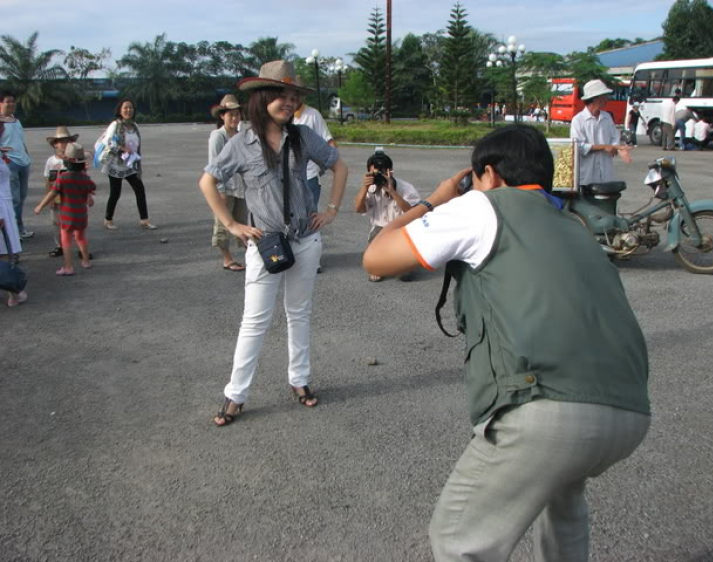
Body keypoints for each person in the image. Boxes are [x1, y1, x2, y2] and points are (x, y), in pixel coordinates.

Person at [363, 125, 651, 562]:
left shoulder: (483, 205)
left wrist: (436, 200)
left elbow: (377, 258)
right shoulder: (572, 223)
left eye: (476, 179)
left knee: (460, 540)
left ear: (491, 175)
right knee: (563, 503)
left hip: (546, 410)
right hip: (627, 412)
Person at [199, 60, 348, 426]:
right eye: (281, 94)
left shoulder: (301, 136)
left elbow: (339, 166)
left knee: (299, 314)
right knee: (255, 320)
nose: (288, 101)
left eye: (293, 96)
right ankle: (236, 394)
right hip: (266, 244)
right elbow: (208, 182)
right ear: (263, 96)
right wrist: (232, 224)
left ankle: (300, 380)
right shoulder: (241, 143)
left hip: (306, 239)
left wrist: (330, 209)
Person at [353, 149, 420, 282]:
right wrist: (364, 188)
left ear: (390, 171)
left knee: (405, 276)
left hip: (403, 230)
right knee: (376, 263)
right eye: (375, 173)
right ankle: (381, 262)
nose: (379, 176)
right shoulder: (369, 188)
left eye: (382, 173)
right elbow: (359, 209)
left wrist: (392, 191)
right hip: (380, 229)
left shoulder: (405, 188)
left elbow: (413, 213)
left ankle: (406, 260)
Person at [34, 143, 95, 276]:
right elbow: (90, 194)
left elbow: (52, 193)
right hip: (81, 215)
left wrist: (40, 206)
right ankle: (86, 261)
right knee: (81, 237)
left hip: (67, 214)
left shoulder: (63, 178)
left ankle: (68, 267)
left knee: (66, 240)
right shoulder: (85, 178)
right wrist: (89, 199)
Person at [293, 96, 336, 273]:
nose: (289, 100)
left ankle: (313, 260)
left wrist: (329, 164)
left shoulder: (312, 115)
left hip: (309, 174)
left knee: (310, 216)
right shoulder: (280, 117)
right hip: (289, 176)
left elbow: (329, 141)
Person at [99, 99, 157, 230]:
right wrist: (123, 149)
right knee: (115, 193)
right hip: (116, 165)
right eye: (125, 108)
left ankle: (144, 219)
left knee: (140, 190)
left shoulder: (135, 126)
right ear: (120, 110)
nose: (128, 110)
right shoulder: (115, 125)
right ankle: (108, 220)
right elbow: (107, 142)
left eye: (131, 108)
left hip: (130, 164)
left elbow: (137, 145)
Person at [208, 94, 247, 272]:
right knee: (224, 224)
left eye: (237, 114)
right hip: (225, 188)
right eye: (230, 114)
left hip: (241, 188)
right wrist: (220, 190)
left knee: (244, 221)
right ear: (222, 116)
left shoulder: (241, 135)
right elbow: (213, 164)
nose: (234, 118)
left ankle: (251, 255)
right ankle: (227, 258)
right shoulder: (218, 136)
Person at [570, 80, 631, 187]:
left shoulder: (607, 117)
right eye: (604, 96)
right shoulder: (578, 120)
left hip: (606, 172)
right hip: (587, 174)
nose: (606, 99)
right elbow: (578, 146)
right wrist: (603, 147)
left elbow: (614, 137)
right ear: (595, 98)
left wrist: (618, 148)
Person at [0, 91, 33, 239]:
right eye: (8, 101)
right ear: (1, 103)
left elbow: (20, 141)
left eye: (13, 101)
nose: (11, 104)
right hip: (10, 163)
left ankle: (18, 227)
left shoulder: (16, 120)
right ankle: (13, 230)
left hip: (23, 162)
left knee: (21, 196)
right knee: (13, 198)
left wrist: (26, 155)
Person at [43, 126, 79, 257]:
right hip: (57, 196)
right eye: (61, 141)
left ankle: (81, 247)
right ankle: (60, 246)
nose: (64, 144)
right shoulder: (51, 161)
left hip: (72, 197)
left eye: (67, 141)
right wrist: (49, 197)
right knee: (56, 223)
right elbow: (47, 179)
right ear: (55, 144)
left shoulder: (75, 159)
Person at [0, 152, 27, 307]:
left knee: (5, 250)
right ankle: (14, 293)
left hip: (5, 202)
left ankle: (14, 292)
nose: (3, 129)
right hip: (1, 205)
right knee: (4, 250)